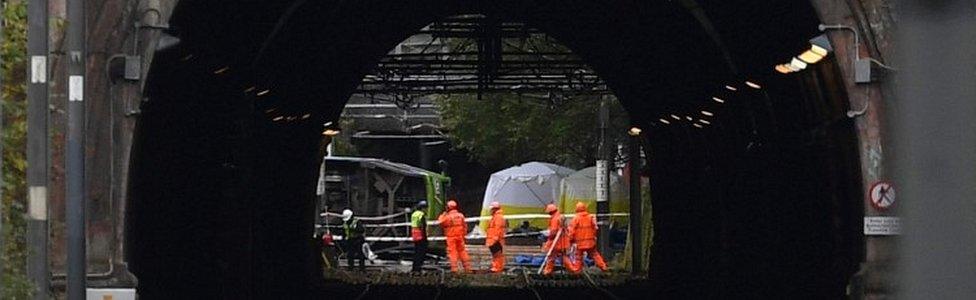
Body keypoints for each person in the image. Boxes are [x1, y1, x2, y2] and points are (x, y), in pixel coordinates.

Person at [568, 201, 608, 272]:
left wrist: (570, 240)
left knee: (578, 258)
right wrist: (593, 237)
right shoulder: (590, 217)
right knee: (595, 255)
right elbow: (595, 229)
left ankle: (577, 271)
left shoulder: (575, 219)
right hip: (590, 242)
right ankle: (603, 267)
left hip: (580, 243)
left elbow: (571, 231)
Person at [543, 203, 578, 275]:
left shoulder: (555, 219)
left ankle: (547, 272)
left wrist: (547, 235)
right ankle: (573, 270)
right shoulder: (559, 217)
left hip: (557, 242)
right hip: (563, 242)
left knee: (551, 257)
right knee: (565, 257)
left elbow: (554, 232)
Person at [438, 200, 472, 273]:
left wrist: (443, 214)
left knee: (452, 252)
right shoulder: (461, 215)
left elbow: (441, 222)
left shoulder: (448, 217)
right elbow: (465, 226)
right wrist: (463, 235)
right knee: (462, 252)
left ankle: (454, 269)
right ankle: (468, 268)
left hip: (451, 237)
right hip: (460, 236)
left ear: (448, 207)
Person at [486, 201, 507, 273]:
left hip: (496, 240)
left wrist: (495, 238)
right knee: (495, 255)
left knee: (497, 255)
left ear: (495, 209)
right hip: (493, 240)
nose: (490, 210)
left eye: (491, 209)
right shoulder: (495, 217)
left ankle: (497, 268)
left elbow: (498, 229)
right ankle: (496, 267)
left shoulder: (498, 217)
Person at [410, 201, 429, 273]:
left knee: (416, 252)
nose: (427, 209)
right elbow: (423, 226)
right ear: (423, 208)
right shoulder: (421, 214)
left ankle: (414, 268)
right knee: (421, 253)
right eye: (426, 208)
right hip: (421, 235)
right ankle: (418, 268)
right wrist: (425, 238)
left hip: (415, 234)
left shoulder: (414, 214)